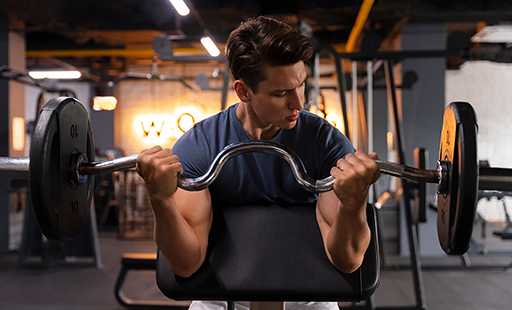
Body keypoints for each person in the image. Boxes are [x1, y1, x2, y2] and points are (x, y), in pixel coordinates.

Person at [136, 16, 381, 310]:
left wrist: (354, 203)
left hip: (309, 294)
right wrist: (159, 199)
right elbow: (186, 264)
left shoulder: (325, 143)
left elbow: (348, 261)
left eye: (301, 85)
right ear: (243, 91)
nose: (299, 103)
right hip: (220, 297)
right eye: (281, 93)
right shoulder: (200, 146)